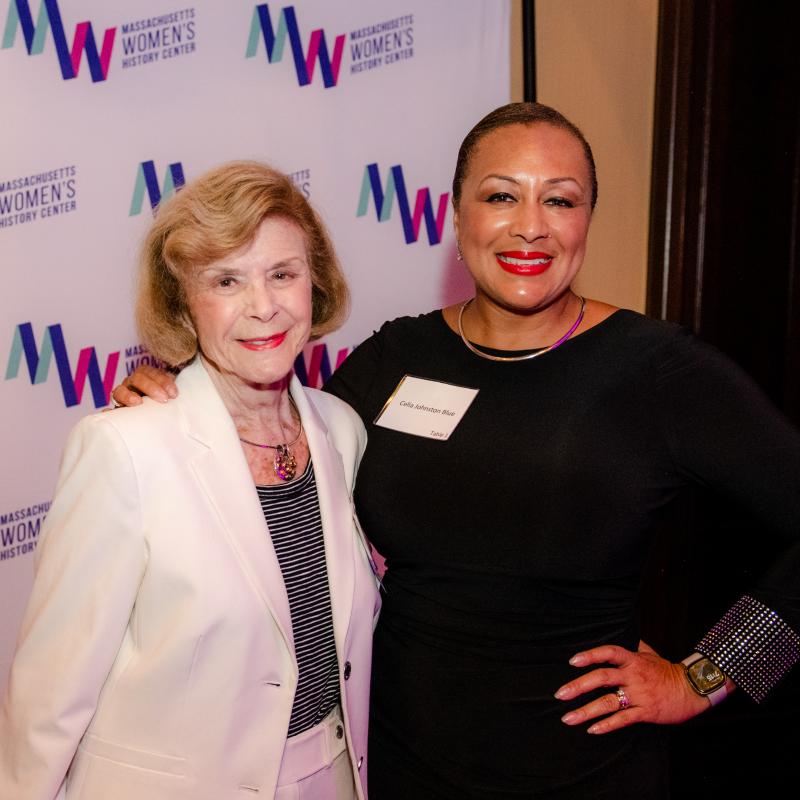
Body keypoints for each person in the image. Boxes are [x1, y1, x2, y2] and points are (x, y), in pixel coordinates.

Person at [110, 104, 800, 798]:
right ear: (456, 213)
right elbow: (275, 454)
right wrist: (177, 403)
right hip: (404, 764)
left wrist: (708, 675)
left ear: (587, 218)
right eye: (501, 195)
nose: (530, 225)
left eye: (559, 200)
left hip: (585, 773)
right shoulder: (395, 358)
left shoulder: (657, 372)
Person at [0, 161, 380, 800]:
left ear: (315, 283)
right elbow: (50, 696)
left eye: (283, 274)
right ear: (183, 303)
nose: (263, 307)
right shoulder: (126, 449)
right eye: (227, 280)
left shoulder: (341, 430)